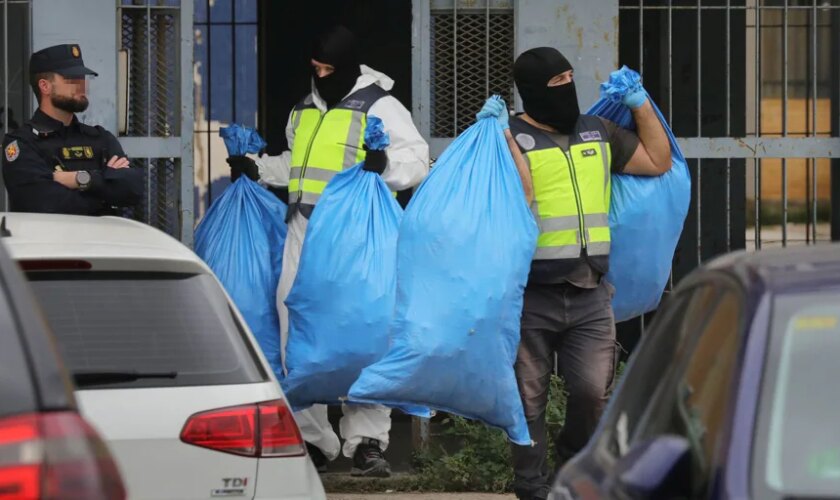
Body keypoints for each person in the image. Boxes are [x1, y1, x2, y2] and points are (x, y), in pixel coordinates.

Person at [226, 25, 429, 478]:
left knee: (361, 336)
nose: (320, 75)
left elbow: (417, 159)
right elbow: (297, 164)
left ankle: (368, 443)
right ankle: (311, 440)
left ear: (349, 67)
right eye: (315, 68)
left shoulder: (380, 105)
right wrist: (257, 167)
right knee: (294, 331)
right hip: (303, 231)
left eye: (328, 69)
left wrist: (383, 166)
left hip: (356, 240)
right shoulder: (304, 109)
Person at [477, 47, 672, 500]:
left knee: (591, 394)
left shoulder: (598, 131)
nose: (567, 89)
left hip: (590, 293)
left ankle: (571, 468)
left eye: (570, 77)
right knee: (527, 402)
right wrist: (489, 137)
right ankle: (531, 487)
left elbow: (658, 160)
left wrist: (638, 101)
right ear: (530, 92)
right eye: (556, 83)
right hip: (530, 295)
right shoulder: (509, 137)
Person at [2, 44, 143, 215]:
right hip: (49, 241)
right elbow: (43, 203)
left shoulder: (100, 138)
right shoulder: (23, 143)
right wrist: (105, 195)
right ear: (45, 86)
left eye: (83, 78)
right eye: (72, 79)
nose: (82, 86)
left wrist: (81, 179)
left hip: (100, 241)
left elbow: (133, 189)